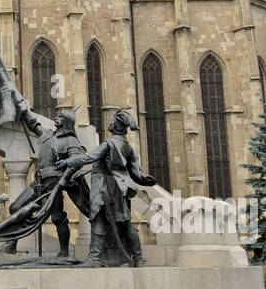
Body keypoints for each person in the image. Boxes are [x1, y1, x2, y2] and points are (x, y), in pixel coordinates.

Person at [59, 108, 158, 267]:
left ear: (117, 125)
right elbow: (137, 172)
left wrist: (67, 162)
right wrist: (147, 180)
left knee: (98, 218)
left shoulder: (109, 143)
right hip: (119, 188)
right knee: (125, 222)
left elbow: (89, 157)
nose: (109, 123)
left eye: (112, 121)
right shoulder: (127, 146)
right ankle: (138, 259)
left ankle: (94, 258)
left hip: (105, 186)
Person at [11, 106, 88, 259]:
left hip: (55, 182)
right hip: (39, 181)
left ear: (66, 122)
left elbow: (76, 162)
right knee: (16, 207)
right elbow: (34, 125)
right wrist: (23, 110)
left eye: (60, 116)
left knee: (57, 217)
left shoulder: (70, 140)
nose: (56, 117)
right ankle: (12, 243)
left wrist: (64, 179)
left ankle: (64, 252)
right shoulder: (47, 134)